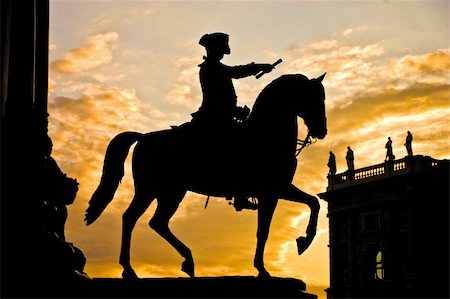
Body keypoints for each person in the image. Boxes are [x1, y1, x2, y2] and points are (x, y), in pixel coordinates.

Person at [193, 33, 274, 211]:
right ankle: (240, 193)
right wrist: (260, 67)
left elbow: (222, 95)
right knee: (242, 144)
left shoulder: (215, 67)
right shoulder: (211, 68)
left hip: (221, 115)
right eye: (220, 50)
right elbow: (235, 73)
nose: (222, 53)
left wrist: (235, 110)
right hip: (214, 118)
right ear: (214, 50)